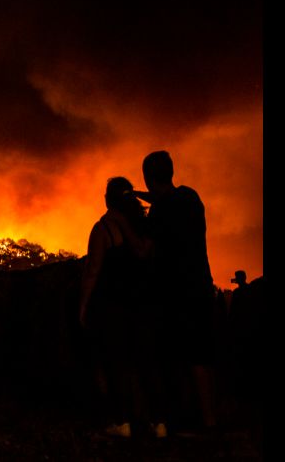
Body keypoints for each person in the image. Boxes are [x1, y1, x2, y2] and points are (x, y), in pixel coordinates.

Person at [129, 150, 217, 432]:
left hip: (174, 293)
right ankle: (209, 420)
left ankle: (179, 419)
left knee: (173, 357)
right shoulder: (191, 198)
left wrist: (124, 223)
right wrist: (143, 195)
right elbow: (168, 199)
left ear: (148, 177)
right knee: (201, 356)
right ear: (171, 171)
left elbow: (144, 251)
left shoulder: (159, 213)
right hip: (201, 286)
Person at [79, 177, 166, 439]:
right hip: (145, 303)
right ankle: (159, 423)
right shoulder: (145, 224)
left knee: (116, 361)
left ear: (107, 199)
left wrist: (83, 305)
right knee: (148, 362)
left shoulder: (103, 228)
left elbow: (93, 270)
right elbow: (147, 255)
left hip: (114, 305)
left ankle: (122, 421)